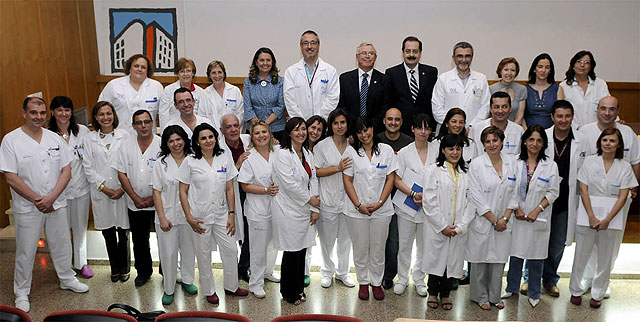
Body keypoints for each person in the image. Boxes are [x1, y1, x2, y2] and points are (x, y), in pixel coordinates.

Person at [1, 96, 89, 313]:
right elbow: (10, 177)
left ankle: (67, 278)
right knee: (26, 250)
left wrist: (51, 198)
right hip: (28, 207)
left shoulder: (54, 138)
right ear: (24, 113)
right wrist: (37, 200)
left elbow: (66, 171)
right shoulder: (11, 140)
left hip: (57, 203)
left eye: (42, 113)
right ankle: (21, 292)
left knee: (61, 244)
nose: (38, 117)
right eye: (33, 112)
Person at [576, 96, 640, 297]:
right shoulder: (585, 131)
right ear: (597, 110)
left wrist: (632, 190)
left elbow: (636, 161)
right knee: (587, 241)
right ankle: (586, 279)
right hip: (590, 196)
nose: (607, 112)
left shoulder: (627, 132)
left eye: (612, 109)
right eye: (603, 108)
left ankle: (602, 280)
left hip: (619, 197)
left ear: (617, 110)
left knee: (611, 241)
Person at [178, 123, 248, 304]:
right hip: (198, 216)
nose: (208, 140)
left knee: (231, 250)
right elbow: (183, 191)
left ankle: (231, 286)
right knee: (203, 254)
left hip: (221, 213)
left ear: (216, 138)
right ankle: (209, 290)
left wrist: (231, 214)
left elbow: (230, 188)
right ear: (197, 141)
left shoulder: (224, 157)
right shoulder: (190, 161)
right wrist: (189, 218)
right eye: (203, 138)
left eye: (211, 137)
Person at [503, 125, 559, 308]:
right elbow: (508, 187)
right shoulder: (514, 163)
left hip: (538, 217)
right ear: (525, 141)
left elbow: (553, 192)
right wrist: (516, 208)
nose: (534, 144)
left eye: (539, 140)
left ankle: (534, 292)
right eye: (531, 139)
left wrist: (537, 209)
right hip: (517, 216)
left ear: (543, 144)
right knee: (516, 254)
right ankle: (512, 288)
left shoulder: (550, 165)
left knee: (536, 256)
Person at [343, 117, 397, 301]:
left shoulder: (386, 150)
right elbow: (347, 180)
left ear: (373, 129)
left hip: (381, 209)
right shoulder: (350, 152)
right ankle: (363, 283)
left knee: (378, 247)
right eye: (360, 131)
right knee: (360, 248)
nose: (364, 134)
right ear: (356, 134)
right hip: (356, 210)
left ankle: (377, 283)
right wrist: (358, 205)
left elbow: (391, 178)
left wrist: (381, 202)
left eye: (367, 130)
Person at [466, 126, 518, 310]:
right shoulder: (477, 164)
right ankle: (480, 296)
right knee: (480, 260)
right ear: (483, 144)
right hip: (484, 220)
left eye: (495, 140)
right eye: (488, 141)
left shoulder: (513, 163)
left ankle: (495, 296)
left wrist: (505, 218)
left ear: (502, 141)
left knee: (498, 261)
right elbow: (475, 195)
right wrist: (494, 220)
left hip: (504, 220)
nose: (492, 144)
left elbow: (514, 193)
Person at [421, 133, 473, 311]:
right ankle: (432, 293)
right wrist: (442, 226)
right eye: (451, 148)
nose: (455, 152)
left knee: (452, 263)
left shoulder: (466, 173)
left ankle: (446, 294)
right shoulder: (433, 170)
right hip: (438, 226)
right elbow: (429, 201)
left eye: (458, 148)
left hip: (457, 227)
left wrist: (461, 226)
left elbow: (471, 202)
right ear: (443, 150)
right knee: (437, 261)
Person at [271, 117, 320, 305]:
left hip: (304, 208)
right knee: (291, 252)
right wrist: (309, 199)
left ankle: (299, 288)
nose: (301, 133)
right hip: (287, 209)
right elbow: (289, 184)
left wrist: (314, 206)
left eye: (303, 129)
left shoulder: (307, 153)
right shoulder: (282, 154)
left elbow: (313, 179)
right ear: (289, 132)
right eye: (297, 129)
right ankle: (288, 292)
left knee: (301, 250)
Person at [541, 100, 587, 298]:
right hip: (541, 199)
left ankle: (550, 279)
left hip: (566, 200)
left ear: (572, 117)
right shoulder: (542, 136)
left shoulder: (581, 140)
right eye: (559, 116)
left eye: (567, 116)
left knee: (558, 242)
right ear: (552, 117)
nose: (563, 120)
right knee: (535, 239)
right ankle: (529, 277)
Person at [82, 101, 130, 283]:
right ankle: (114, 267)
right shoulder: (89, 139)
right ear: (95, 117)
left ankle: (125, 266)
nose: (106, 117)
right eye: (101, 114)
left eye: (109, 113)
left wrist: (122, 188)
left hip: (122, 190)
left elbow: (129, 162)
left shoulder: (124, 136)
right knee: (108, 232)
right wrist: (104, 187)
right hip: (102, 192)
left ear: (114, 115)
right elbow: (87, 167)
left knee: (123, 232)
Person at [113, 109, 161, 287]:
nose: (143, 126)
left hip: (159, 203)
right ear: (133, 125)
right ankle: (143, 272)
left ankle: (167, 271)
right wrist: (135, 197)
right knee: (139, 241)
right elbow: (121, 173)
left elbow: (167, 173)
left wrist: (153, 199)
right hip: (134, 203)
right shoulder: (125, 145)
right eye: (139, 123)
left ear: (152, 123)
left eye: (147, 122)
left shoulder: (162, 144)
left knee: (164, 239)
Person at [392, 114, 438, 296]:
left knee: (425, 246)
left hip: (430, 206)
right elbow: (396, 179)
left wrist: (426, 196)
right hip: (407, 205)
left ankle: (420, 279)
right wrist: (412, 193)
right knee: (404, 244)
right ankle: (402, 278)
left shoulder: (437, 149)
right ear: (412, 129)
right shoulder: (404, 152)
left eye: (427, 128)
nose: (423, 132)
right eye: (420, 128)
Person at [48, 96, 93, 278]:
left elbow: (89, 158)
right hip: (59, 192)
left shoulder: (82, 131)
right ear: (52, 112)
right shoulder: (48, 135)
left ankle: (81, 263)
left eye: (67, 110)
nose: (64, 114)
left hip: (81, 188)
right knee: (61, 232)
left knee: (80, 228)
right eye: (59, 110)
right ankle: (64, 267)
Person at [152, 125, 197, 305]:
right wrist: (162, 217)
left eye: (179, 139)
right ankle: (169, 288)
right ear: (166, 143)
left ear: (185, 140)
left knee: (188, 250)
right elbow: (156, 191)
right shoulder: (160, 163)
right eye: (171, 141)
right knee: (168, 253)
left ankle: (187, 280)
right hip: (167, 216)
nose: (176, 143)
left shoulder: (194, 159)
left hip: (189, 215)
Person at [238, 120, 282, 299]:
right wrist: (265, 190)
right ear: (252, 137)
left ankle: (268, 272)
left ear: (270, 134)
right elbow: (245, 185)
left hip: (278, 207)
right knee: (257, 248)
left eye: (264, 132)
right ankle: (256, 283)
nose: (261, 136)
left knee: (273, 244)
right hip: (257, 209)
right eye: (257, 133)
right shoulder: (249, 157)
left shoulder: (279, 152)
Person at [313, 109, 356, 289]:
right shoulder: (321, 146)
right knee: (327, 240)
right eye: (336, 123)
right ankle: (327, 272)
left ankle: (343, 273)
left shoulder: (354, 145)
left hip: (348, 201)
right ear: (331, 126)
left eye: (343, 122)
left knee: (345, 240)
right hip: (328, 199)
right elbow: (315, 171)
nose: (340, 126)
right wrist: (337, 168)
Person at [376, 107, 413, 290]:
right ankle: (374, 274)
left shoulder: (409, 142)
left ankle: (389, 275)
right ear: (384, 121)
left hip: (401, 199)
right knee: (377, 240)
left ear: (401, 121)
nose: (393, 122)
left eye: (397, 120)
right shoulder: (377, 141)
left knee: (394, 241)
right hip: (378, 198)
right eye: (389, 119)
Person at [218, 114, 251, 282]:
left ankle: (243, 267)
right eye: (228, 127)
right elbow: (222, 177)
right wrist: (237, 164)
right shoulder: (218, 149)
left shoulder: (248, 139)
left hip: (250, 192)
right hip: (229, 194)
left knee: (248, 230)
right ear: (221, 130)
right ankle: (232, 269)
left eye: (236, 126)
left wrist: (273, 142)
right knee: (233, 232)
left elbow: (267, 141)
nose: (233, 130)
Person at [385, 36, 438, 134]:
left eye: (415, 51)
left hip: (424, 128)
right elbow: (389, 102)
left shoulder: (431, 72)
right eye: (408, 51)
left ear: (420, 53)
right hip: (401, 129)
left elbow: (434, 100)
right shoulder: (391, 73)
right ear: (403, 52)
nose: (411, 55)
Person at [99, 54, 163, 134]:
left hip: (147, 136)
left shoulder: (157, 87)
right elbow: (100, 109)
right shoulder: (113, 85)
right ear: (129, 68)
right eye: (136, 66)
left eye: (143, 67)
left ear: (147, 71)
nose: (139, 69)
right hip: (120, 135)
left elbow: (163, 113)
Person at [432, 42, 490, 130]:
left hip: (474, 130)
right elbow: (437, 108)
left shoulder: (481, 79)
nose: (463, 59)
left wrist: (471, 127)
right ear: (453, 58)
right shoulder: (443, 79)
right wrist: (454, 125)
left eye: (467, 56)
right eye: (460, 56)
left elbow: (485, 106)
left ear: (472, 58)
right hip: (448, 131)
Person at [284, 30, 339, 120]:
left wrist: (318, 121)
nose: (309, 47)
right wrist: (301, 123)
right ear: (301, 47)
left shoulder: (330, 71)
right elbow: (290, 101)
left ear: (318, 46)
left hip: (323, 124)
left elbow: (333, 98)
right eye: (305, 43)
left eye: (313, 43)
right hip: (299, 127)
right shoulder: (291, 72)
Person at [337, 42, 392, 133]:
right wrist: (356, 124)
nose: (367, 56)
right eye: (363, 53)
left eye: (371, 53)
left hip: (376, 130)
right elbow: (342, 106)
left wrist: (369, 125)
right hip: (351, 131)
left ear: (375, 57)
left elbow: (385, 108)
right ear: (357, 57)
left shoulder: (384, 80)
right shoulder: (345, 79)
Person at [159, 57, 213, 131]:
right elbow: (163, 115)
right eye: (182, 71)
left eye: (188, 71)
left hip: (196, 130)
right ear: (177, 73)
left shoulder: (201, 92)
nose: (185, 74)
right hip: (175, 130)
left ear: (193, 73)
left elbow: (203, 114)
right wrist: (165, 135)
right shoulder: (168, 91)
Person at [243, 48, 286, 141]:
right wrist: (258, 126)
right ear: (256, 62)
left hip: (277, 129)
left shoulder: (281, 82)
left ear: (272, 62)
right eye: (262, 60)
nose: (265, 63)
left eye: (268, 60)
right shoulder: (248, 82)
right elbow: (248, 107)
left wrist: (265, 124)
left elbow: (281, 106)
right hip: (254, 130)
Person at [560, 50, 610, 128]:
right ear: (573, 65)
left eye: (586, 62)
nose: (582, 65)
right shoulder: (563, 86)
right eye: (579, 61)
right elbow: (561, 111)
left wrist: (616, 121)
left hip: (596, 130)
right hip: (573, 130)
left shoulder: (600, 84)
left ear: (591, 67)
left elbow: (608, 105)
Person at [469, 91, 524, 157]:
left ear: (510, 109)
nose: (500, 111)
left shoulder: (519, 131)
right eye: (496, 107)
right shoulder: (476, 129)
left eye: (504, 107)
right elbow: (470, 156)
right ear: (491, 109)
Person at [524, 53, 565, 129]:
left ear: (550, 71)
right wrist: (526, 132)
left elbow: (561, 114)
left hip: (552, 133)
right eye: (540, 67)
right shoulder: (524, 89)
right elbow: (520, 115)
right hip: (528, 133)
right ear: (534, 69)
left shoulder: (558, 89)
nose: (543, 70)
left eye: (547, 67)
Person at [205, 60, 242, 131]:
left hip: (233, 132)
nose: (217, 76)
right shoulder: (205, 94)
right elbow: (203, 116)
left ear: (224, 74)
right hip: (213, 134)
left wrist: (231, 129)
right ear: (209, 75)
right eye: (213, 73)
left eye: (220, 72)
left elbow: (241, 114)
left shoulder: (234, 90)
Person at [489, 57, 527, 126]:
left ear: (516, 73)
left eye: (512, 70)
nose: (509, 73)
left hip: (515, 128)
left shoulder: (522, 89)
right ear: (500, 71)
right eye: (506, 70)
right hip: (494, 129)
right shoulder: (491, 89)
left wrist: (511, 130)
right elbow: (489, 114)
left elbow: (520, 116)